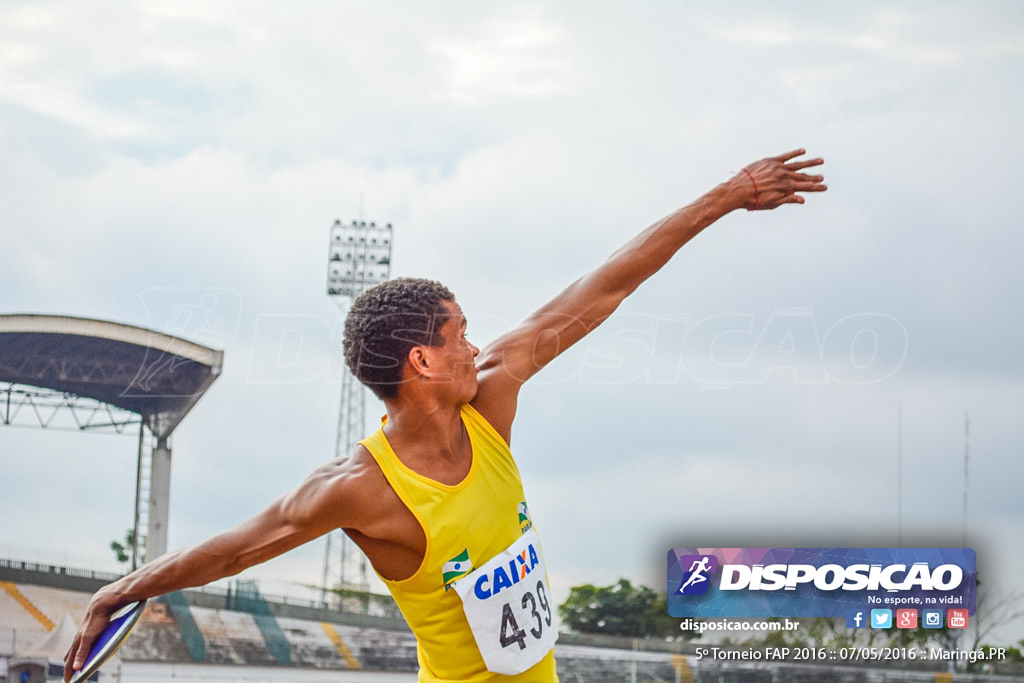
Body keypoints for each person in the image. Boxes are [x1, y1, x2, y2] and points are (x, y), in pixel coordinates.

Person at [64, 149, 826, 682]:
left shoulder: (490, 399)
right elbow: (235, 550)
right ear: (421, 362)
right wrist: (121, 589)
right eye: (459, 331)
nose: (476, 343)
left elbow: (600, 289)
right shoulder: (362, 487)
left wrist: (726, 196)